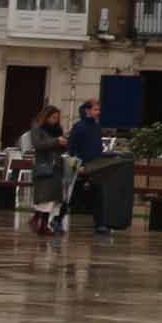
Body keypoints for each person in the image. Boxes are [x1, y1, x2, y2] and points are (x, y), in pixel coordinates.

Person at [66, 100, 109, 236]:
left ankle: (100, 224)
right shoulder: (78, 126)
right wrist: (76, 166)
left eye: (99, 110)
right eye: (96, 110)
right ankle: (57, 219)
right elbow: (71, 149)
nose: (98, 112)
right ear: (87, 111)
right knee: (72, 195)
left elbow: (97, 146)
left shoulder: (96, 127)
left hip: (94, 166)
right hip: (80, 166)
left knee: (98, 194)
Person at [28, 105, 68, 236]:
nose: (55, 120)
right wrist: (56, 141)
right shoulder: (37, 129)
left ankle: (44, 225)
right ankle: (36, 220)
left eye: (57, 118)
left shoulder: (58, 129)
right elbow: (38, 144)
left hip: (57, 166)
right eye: (53, 117)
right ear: (46, 116)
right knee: (44, 197)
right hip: (44, 166)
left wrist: (64, 144)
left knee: (53, 198)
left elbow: (60, 148)